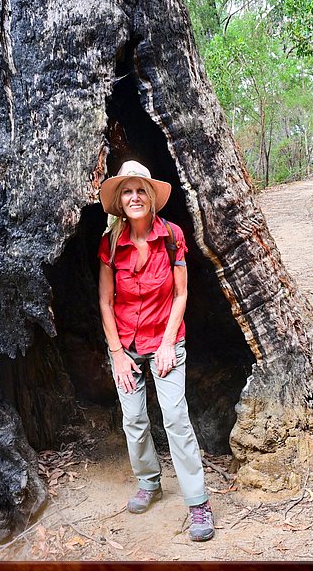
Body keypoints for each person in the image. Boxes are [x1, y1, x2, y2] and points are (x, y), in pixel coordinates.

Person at [97, 160, 215, 542]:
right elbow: (105, 301)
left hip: (166, 338)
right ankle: (149, 482)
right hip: (126, 345)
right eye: (127, 192)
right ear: (120, 201)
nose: (135, 197)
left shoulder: (172, 236)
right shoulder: (111, 241)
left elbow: (181, 293)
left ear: (152, 198)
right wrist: (116, 353)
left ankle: (197, 502)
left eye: (141, 191)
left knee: (175, 418)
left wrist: (167, 344)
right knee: (134, 419)